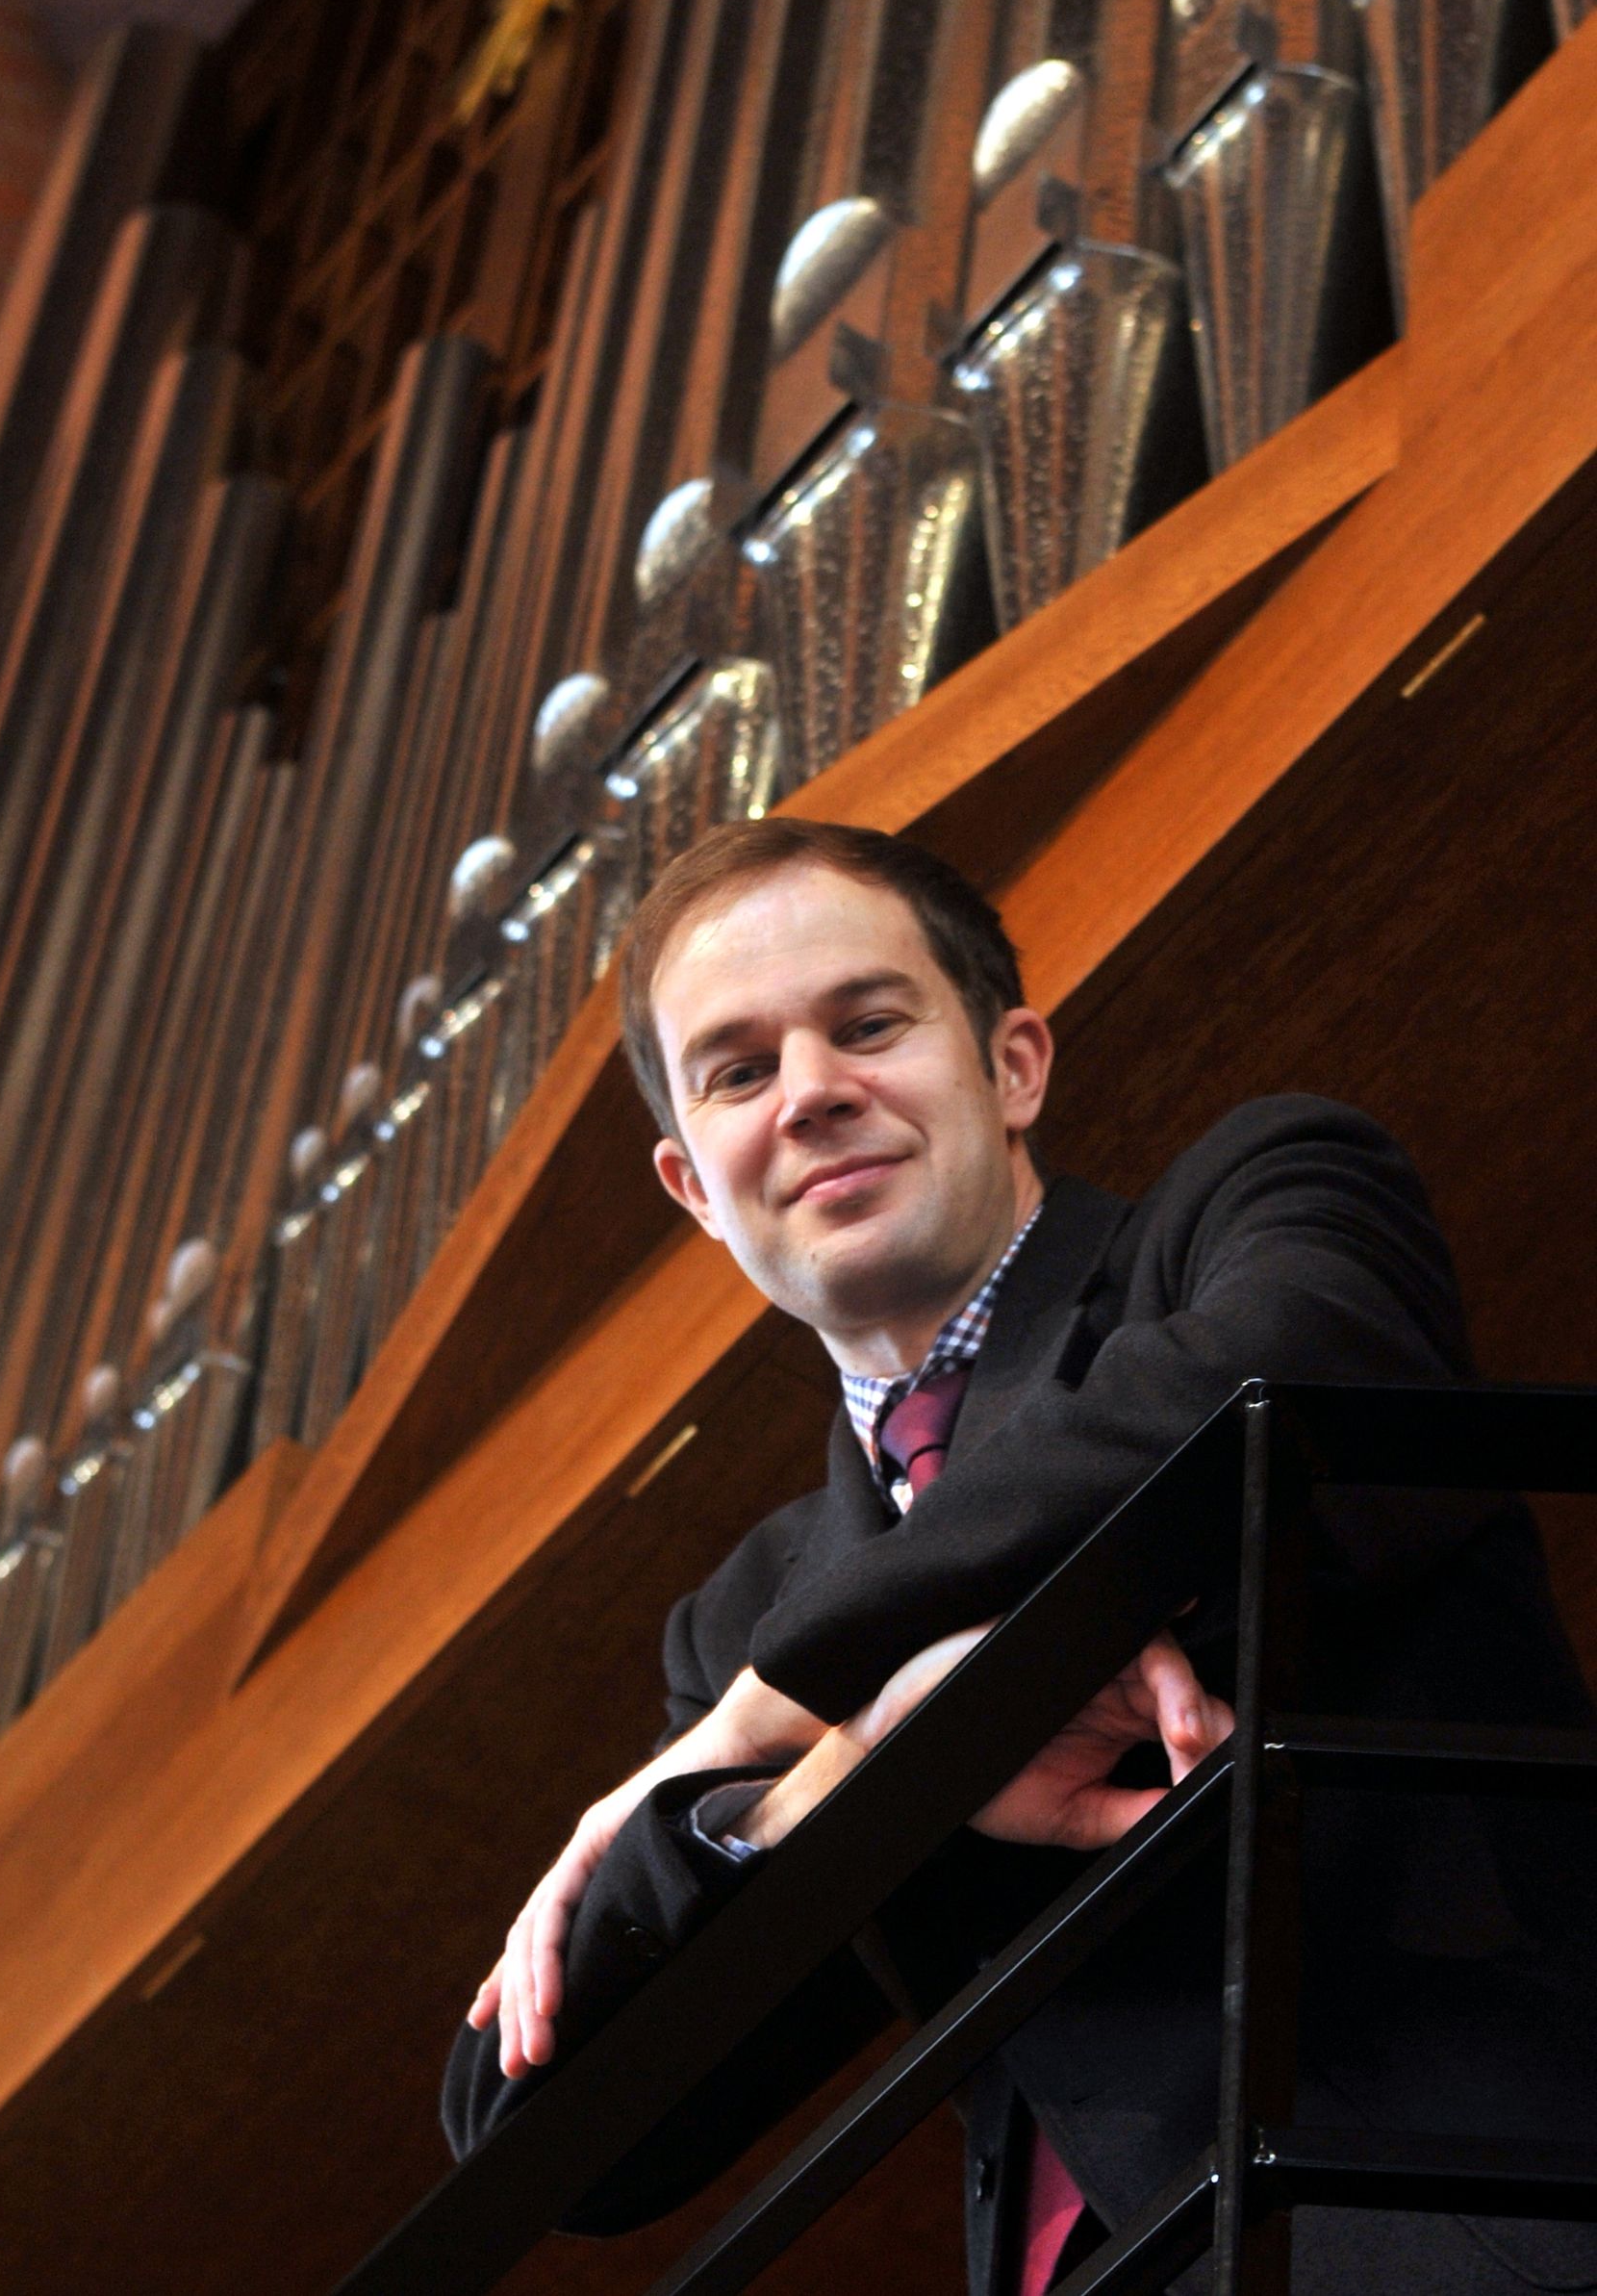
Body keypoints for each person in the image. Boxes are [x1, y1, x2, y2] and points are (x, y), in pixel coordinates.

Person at [445, 818, 1597, 2293]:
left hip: (1455, 2222)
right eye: (739, 1069)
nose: (810, 1095)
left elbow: (1286, 1370)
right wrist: (837, 1775)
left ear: (1013, 1066)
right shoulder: (738, 1610)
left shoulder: (1255, 1200)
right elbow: (537, 2132)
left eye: (868, 1025)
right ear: (692, 1187)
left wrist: (770, 1710)